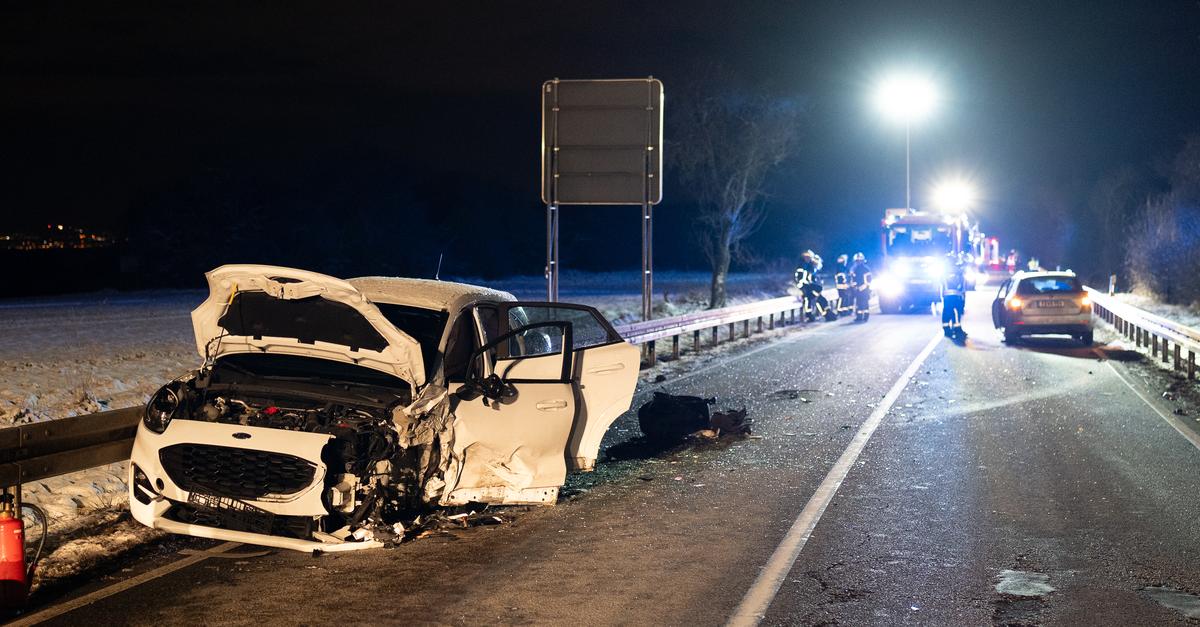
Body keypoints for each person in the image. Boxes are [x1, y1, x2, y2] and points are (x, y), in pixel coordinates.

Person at [794, 250, 831, 322]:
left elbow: (811, 278)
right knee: (811, 299)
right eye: (807, 257)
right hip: (805, 287)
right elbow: (801, 279)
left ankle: (826, 314)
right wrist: (805, 286)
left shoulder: (809, 267)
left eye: (809, 258)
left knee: (819, 299)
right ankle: (811, 316)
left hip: (809, 287)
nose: (808, 259)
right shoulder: (803, 266)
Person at [942, 253, 968, 341]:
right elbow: (962, 283)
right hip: (956, 295)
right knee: (956, 312)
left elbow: (941, 283)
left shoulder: (944, 271)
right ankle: (957, 330)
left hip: (947, 295)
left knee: (947, 311)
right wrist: (963, 294)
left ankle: (947, 330)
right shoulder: (958, 270)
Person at [850, 252, 872, 322]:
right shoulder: (855, 269)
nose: (858, 262)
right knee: (858, 303)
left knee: (865, 303)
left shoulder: (866, 269)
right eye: (857, 261)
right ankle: (859, 316)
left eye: (859, 261)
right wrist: (854, 287)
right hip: (858, 289)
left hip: (864, 289)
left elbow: (869, 279)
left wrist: (863, 287)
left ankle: (865, 316)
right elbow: (853, 279)